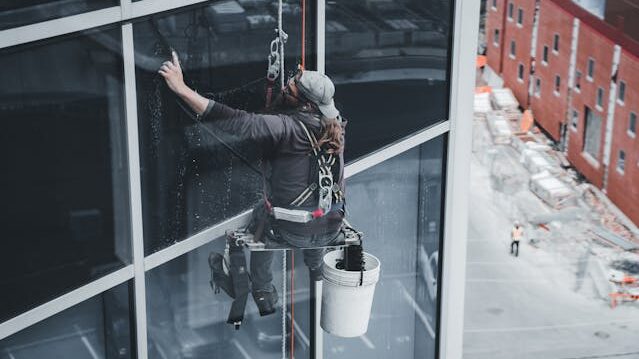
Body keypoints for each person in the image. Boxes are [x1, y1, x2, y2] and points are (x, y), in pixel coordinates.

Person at [159, 52, 346, 316]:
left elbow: (234, 121)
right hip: (330, 226)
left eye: (291, 85)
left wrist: (182, 89)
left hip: (293, 230)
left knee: (263, 216)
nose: (286, 85)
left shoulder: (285, 129)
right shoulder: (336, 128)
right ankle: (316, 267)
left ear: (305, 104)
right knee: (315, 214)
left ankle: (263, 292)